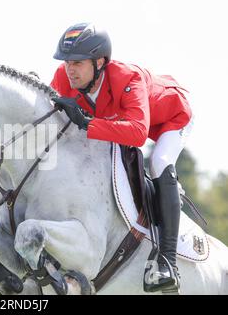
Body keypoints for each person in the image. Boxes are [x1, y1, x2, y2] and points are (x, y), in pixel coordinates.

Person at [50, 22, 193, 293]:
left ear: (100, 62)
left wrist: (85, 123)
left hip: (173, 117)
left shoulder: (127, 78)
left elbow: (138, 133)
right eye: (67, 61)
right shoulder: (62, 78)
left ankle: (167, 262)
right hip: (124, 123)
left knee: (160, 161)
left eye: (78, 62)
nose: (70, 69)